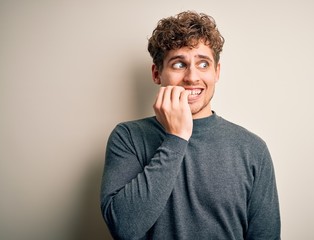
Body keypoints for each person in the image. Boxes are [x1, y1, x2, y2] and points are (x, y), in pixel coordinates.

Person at [100, 11, 281, 240]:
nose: (192, 77)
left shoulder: (252, 148)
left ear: (217, 72)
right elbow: (124, 228)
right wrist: (177, 137)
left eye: (203, 64)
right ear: (157, 74)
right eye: (178, 64)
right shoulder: (128, 137)